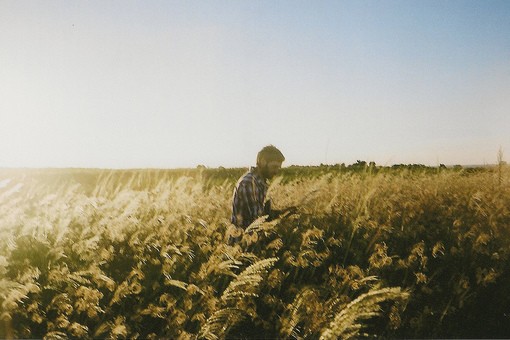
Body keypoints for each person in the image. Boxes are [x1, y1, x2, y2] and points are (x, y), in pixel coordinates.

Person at [229, 145, 295, 244]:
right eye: (274, 167)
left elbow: (264, 213)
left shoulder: (261, 182)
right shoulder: (250, 182)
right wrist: (280, 219)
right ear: (263, 162)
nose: (276, 171)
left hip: (253, 240)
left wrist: (284, 213)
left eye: (278, 168)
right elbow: (257, 220)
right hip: (243, 243)